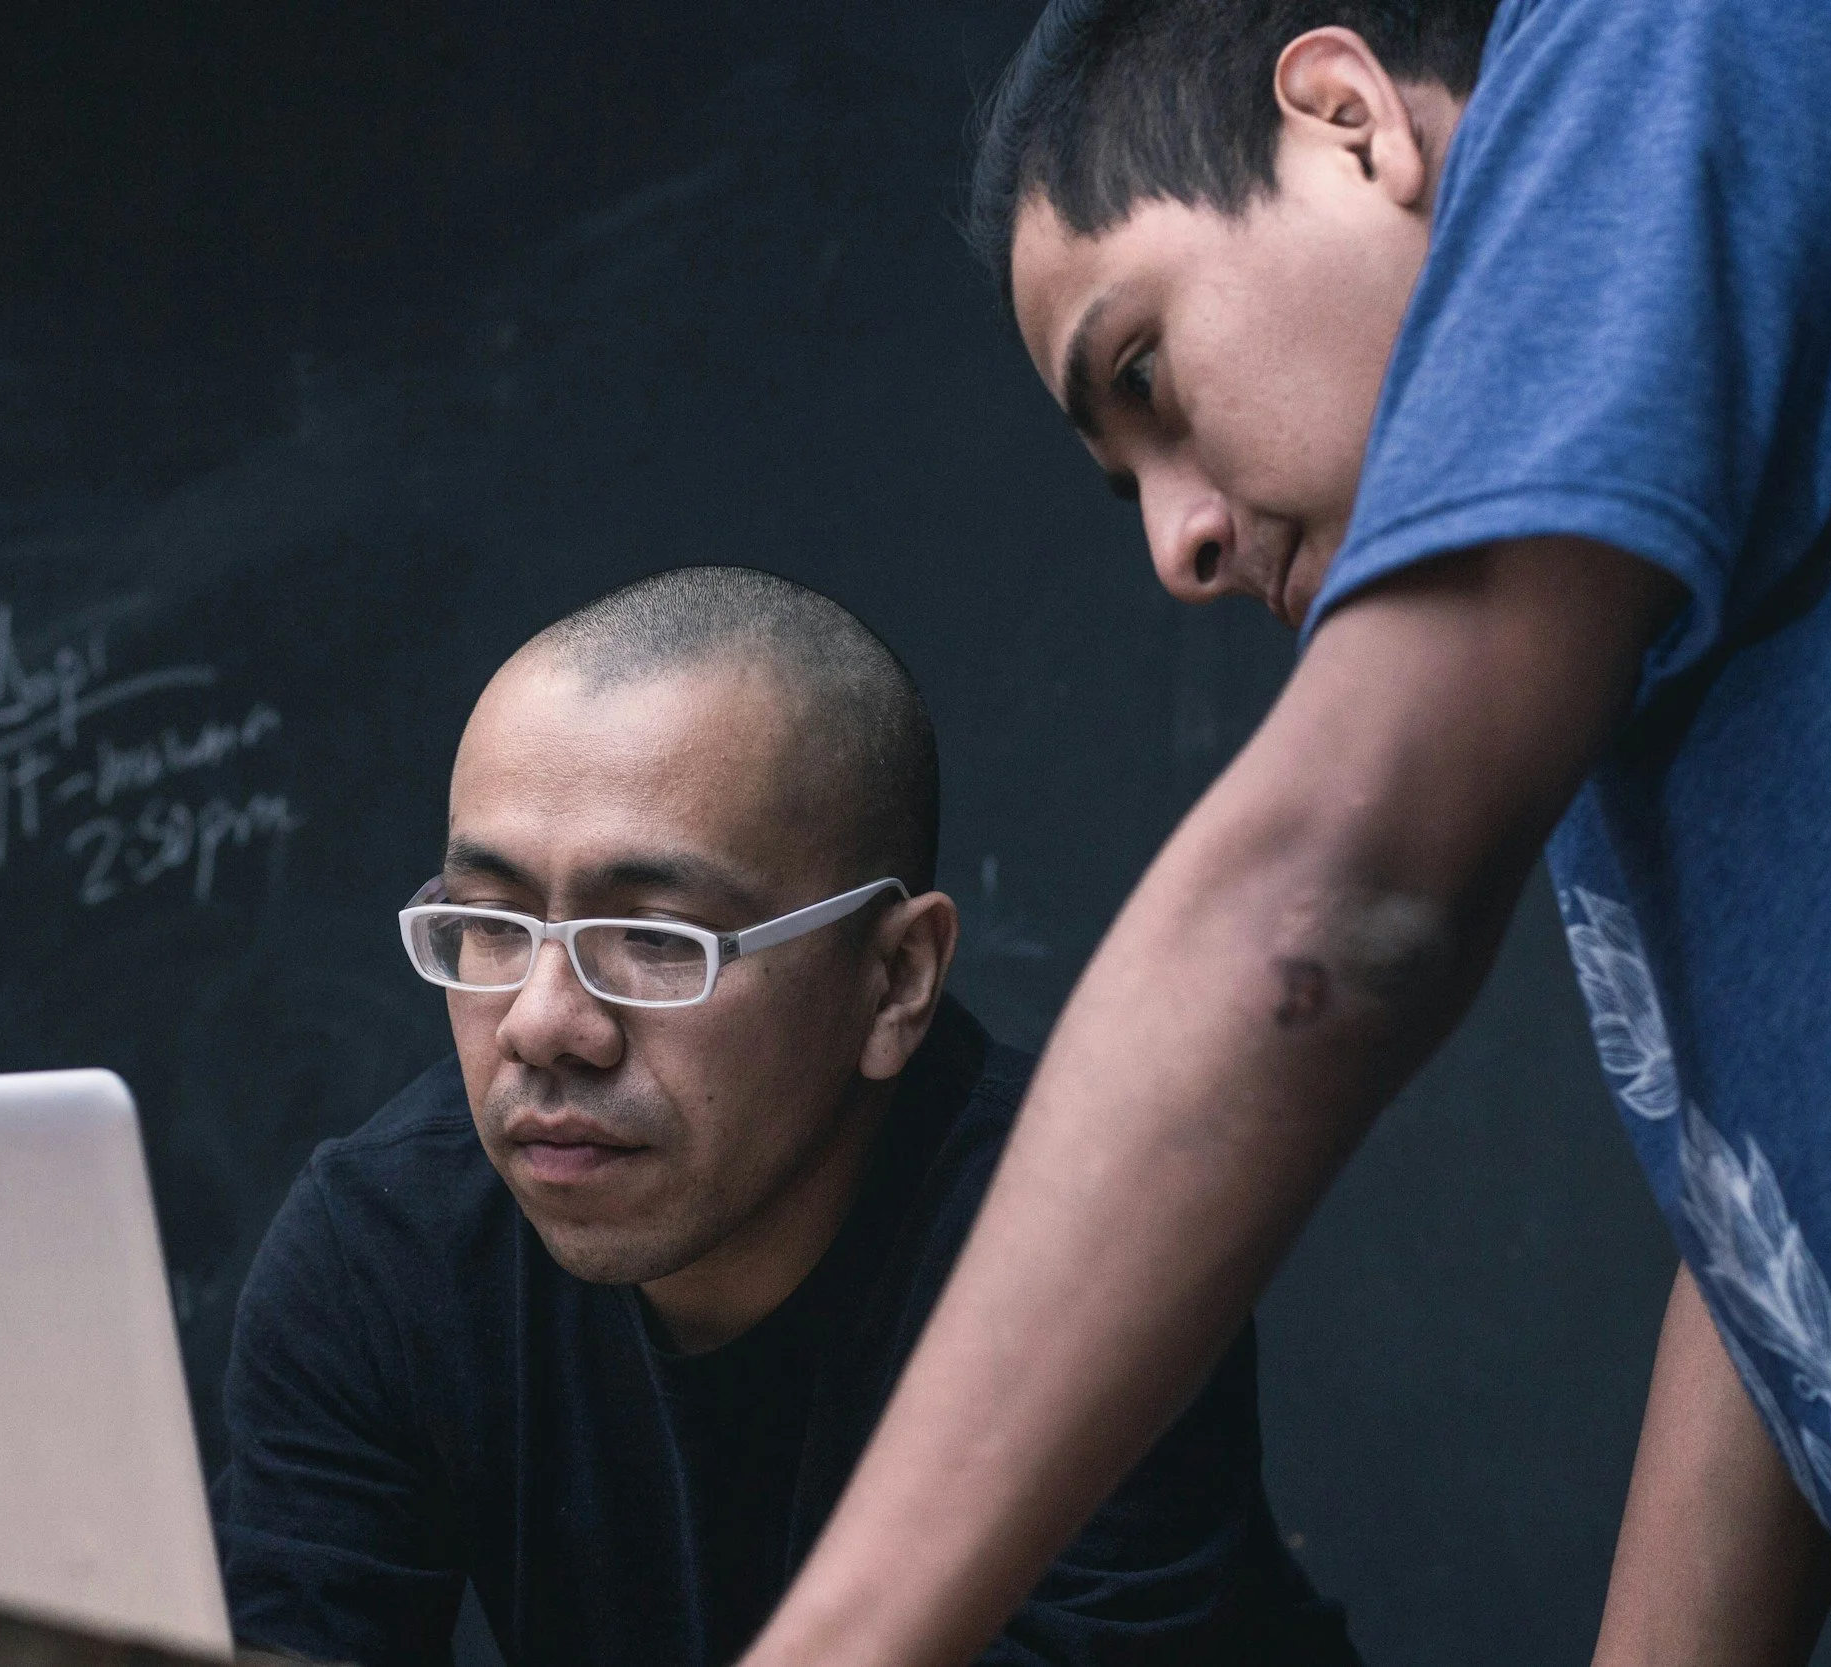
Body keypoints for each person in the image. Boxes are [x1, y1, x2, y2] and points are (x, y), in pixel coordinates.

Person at [736, 1, 1831, 1664]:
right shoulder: (1639, 647)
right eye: (1124, 481)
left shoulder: (1655, 44)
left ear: (1345, 116)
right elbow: (1763, 1239)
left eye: (1145, 376)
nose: (1178, 545)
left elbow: (1322, 917)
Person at [213, 567, 1358, 1667]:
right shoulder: (382, 1249)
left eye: (661, 939)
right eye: (491, 923)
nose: (543, 1022)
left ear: (896, 978)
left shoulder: (1083, 1249)